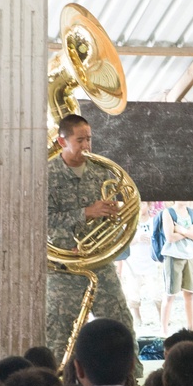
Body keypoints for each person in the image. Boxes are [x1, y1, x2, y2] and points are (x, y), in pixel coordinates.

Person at [46, 114, 133, 363]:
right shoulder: (48, 173)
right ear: (62, 142)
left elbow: (117, 212)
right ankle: (58, 385)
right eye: (80, 139)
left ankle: (130, 381)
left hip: (99, 263)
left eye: (89, 139)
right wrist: (85, 213)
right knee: (59, 333)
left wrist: (113, 213)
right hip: (64, 268)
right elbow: (40, 220)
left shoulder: (102, 171)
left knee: (121, 325)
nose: (86, 145)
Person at [160, 200, 193, 335]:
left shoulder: (192, 212)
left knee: (189, 293)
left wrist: (181, 230)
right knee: (170, 294)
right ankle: (164, 329)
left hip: (190, 256)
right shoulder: (168, 212)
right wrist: (190, 232)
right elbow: (170, 237)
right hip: (173, 256)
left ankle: (191, 327)